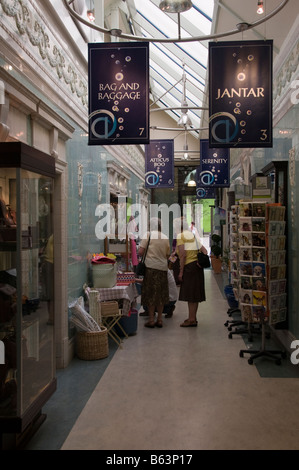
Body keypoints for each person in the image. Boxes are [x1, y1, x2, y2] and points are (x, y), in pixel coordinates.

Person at [174, 217, 207, 327]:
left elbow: (183, 255)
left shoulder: (180, 236)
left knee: (190, 294)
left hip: (189, 267)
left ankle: (191, 319)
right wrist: (199, 261)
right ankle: (193, 317)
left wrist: (181, 272)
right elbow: (205, 251)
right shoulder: (192, 235)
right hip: (197, 267)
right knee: (195, 294)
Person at [138, 218, 170, 328]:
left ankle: (151, 320)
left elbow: (141, 252)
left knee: (151, 293)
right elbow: (167, 255)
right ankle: (160, 319)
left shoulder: (148, 235)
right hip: (162, 268)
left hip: (150, 268)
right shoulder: (165, 237)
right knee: (160, 294)